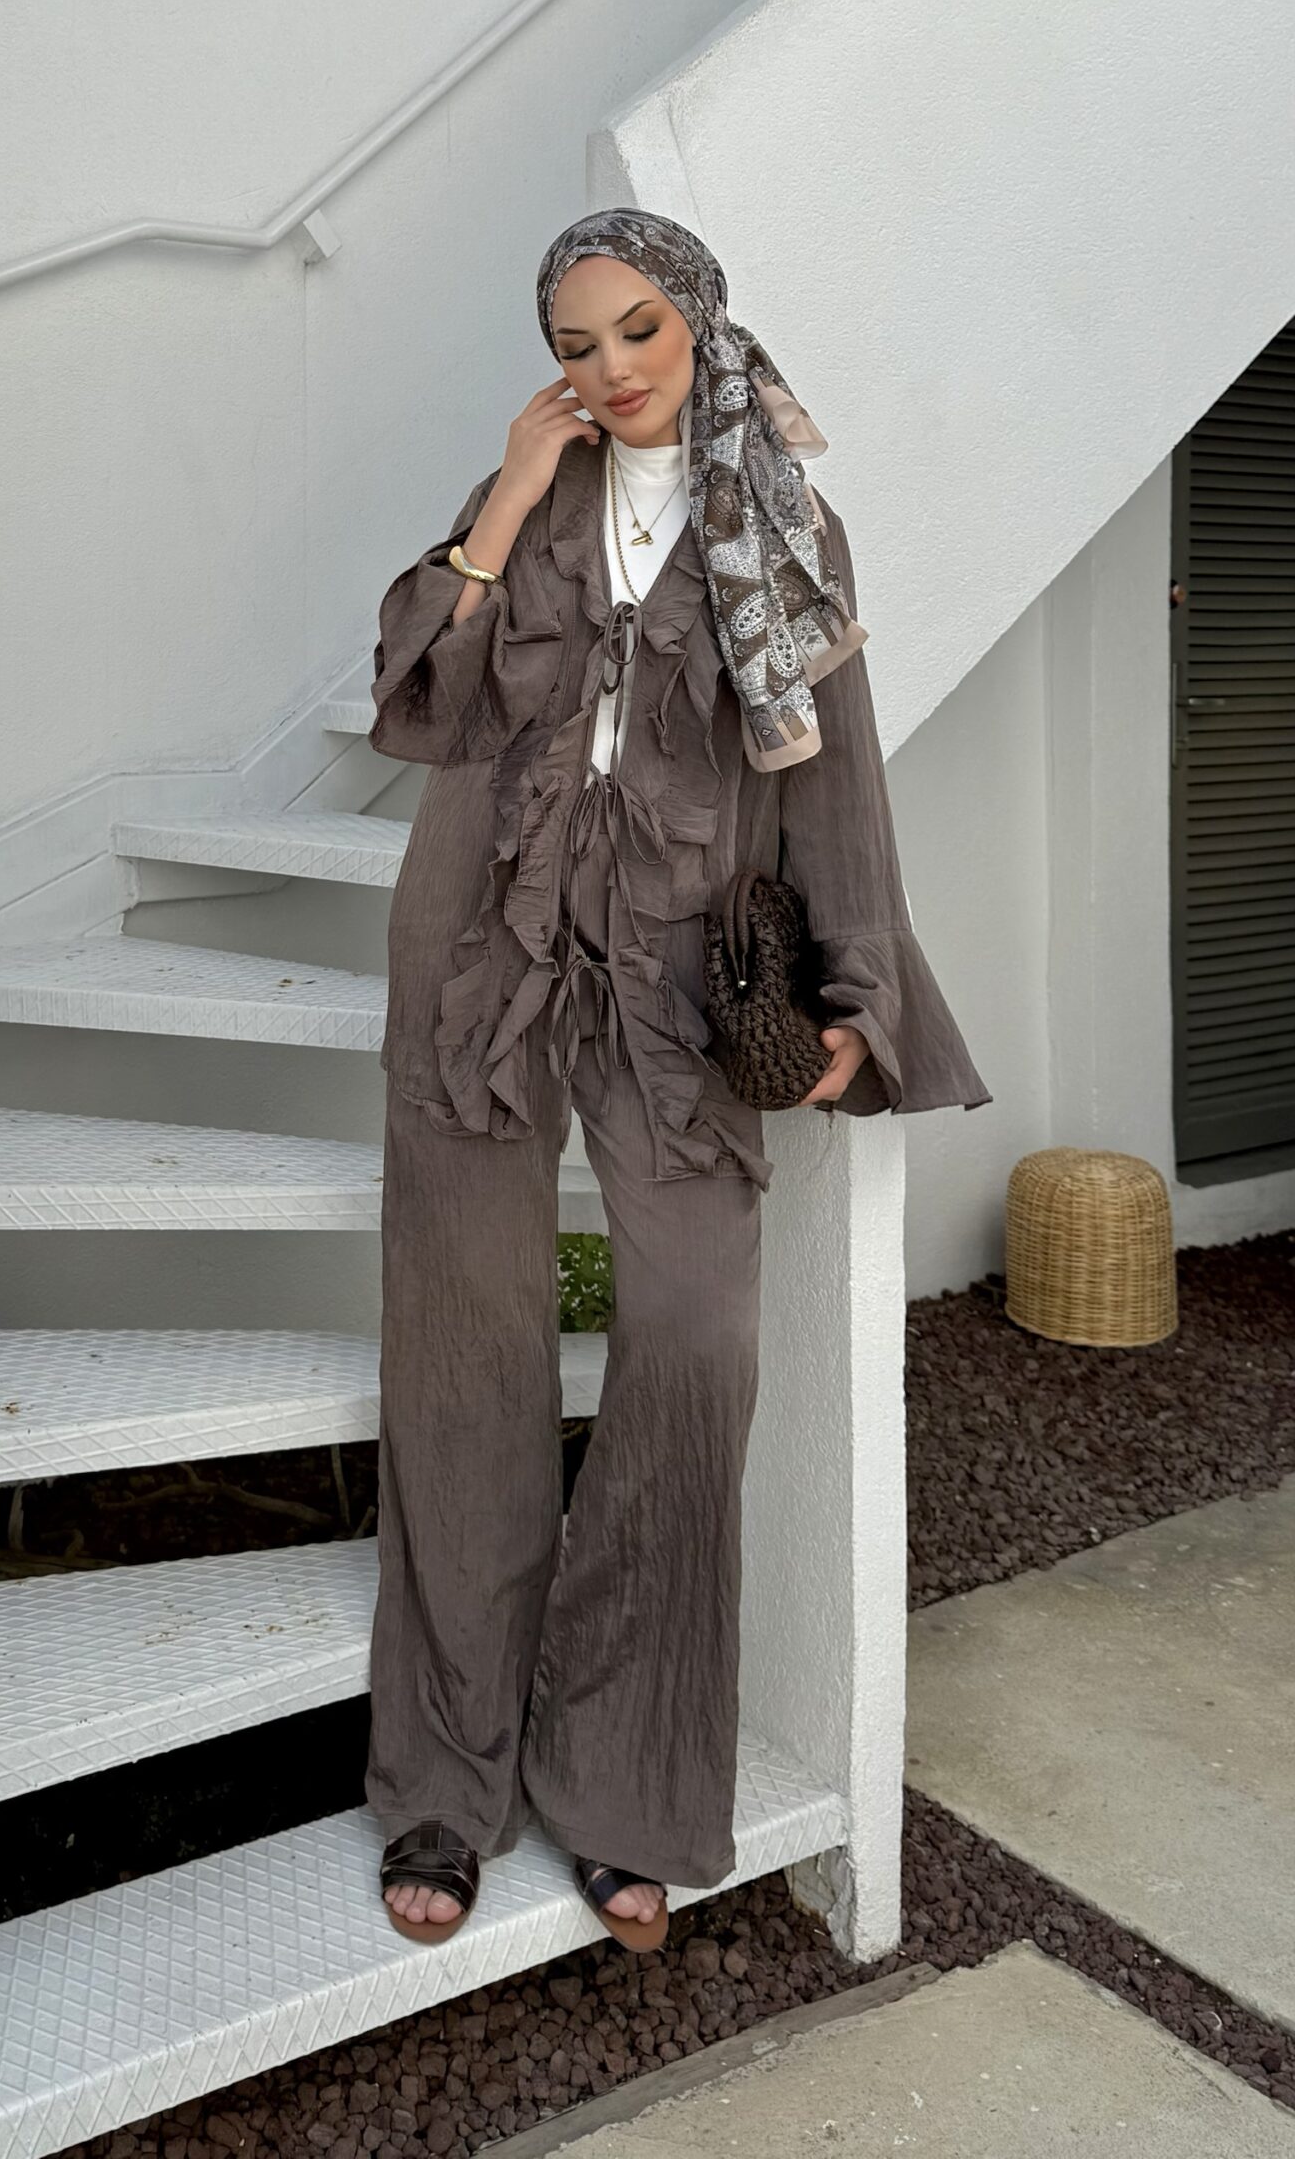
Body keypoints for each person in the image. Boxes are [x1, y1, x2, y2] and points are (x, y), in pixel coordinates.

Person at [363, 207, 990, 1953]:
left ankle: (621, 1774)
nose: (614, 367)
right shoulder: (530, 498)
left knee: (697, 1348)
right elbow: (419, 701)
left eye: (639, 328)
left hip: (675, 983)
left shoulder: (789, 527)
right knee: (467, 1356)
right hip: (482, 957)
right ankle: (447, 1784)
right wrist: (505, 498)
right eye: (576, 344)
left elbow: (833, 777)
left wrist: (858, 990)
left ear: (701, 319)